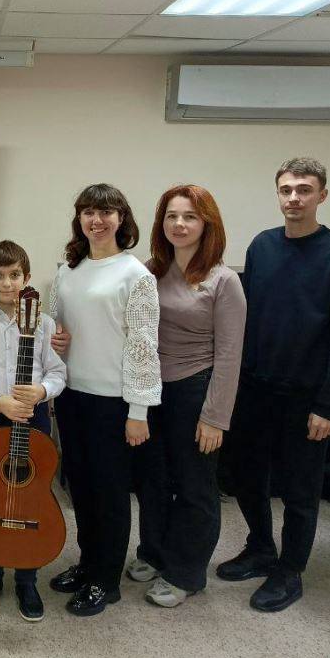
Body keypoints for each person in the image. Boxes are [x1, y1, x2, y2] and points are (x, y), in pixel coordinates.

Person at [218, 157, 330, 612]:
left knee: (300, 490)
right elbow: (248, 319)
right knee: (246, 475)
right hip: (256, 388)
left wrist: (329, 405)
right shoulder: (262, 247)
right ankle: (261, 547)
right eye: (286, 189)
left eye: (304, 190)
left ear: (322, 195)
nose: (294, 198)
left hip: (308, 397)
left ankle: (290, 570)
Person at [47, 183, 162, 617]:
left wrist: (139, 411)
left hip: (114, 403)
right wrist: (55, 343)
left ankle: (106, 581)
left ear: (121, 219)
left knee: (110, 494)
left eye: (106, 212)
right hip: (72, 397)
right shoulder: (67, 271)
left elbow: (143, 346)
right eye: (88, 212)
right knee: (80, 488)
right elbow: (55, 328)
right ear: (79, 219)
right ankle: (87, 563)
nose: (97, 220)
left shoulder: (136, 275)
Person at [129, 185, 246, 607]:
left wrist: (215, 418)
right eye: (172, 216)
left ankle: (186, 573)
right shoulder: (151, 270)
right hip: (150, 389)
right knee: (153, 480)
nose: (179, 224)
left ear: (206, 224)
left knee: (195, 486)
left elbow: (230, 355)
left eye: (190, 217)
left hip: (195, 389)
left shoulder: (223, 280)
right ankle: (154, 553)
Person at [0, 240, 66, 622]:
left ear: (27, 277)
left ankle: (26, 578)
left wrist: (41, 391)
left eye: (15, 275)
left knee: (31, 495)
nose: (7, 283)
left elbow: (58, 372)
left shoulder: (43, 323)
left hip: (34, 420)